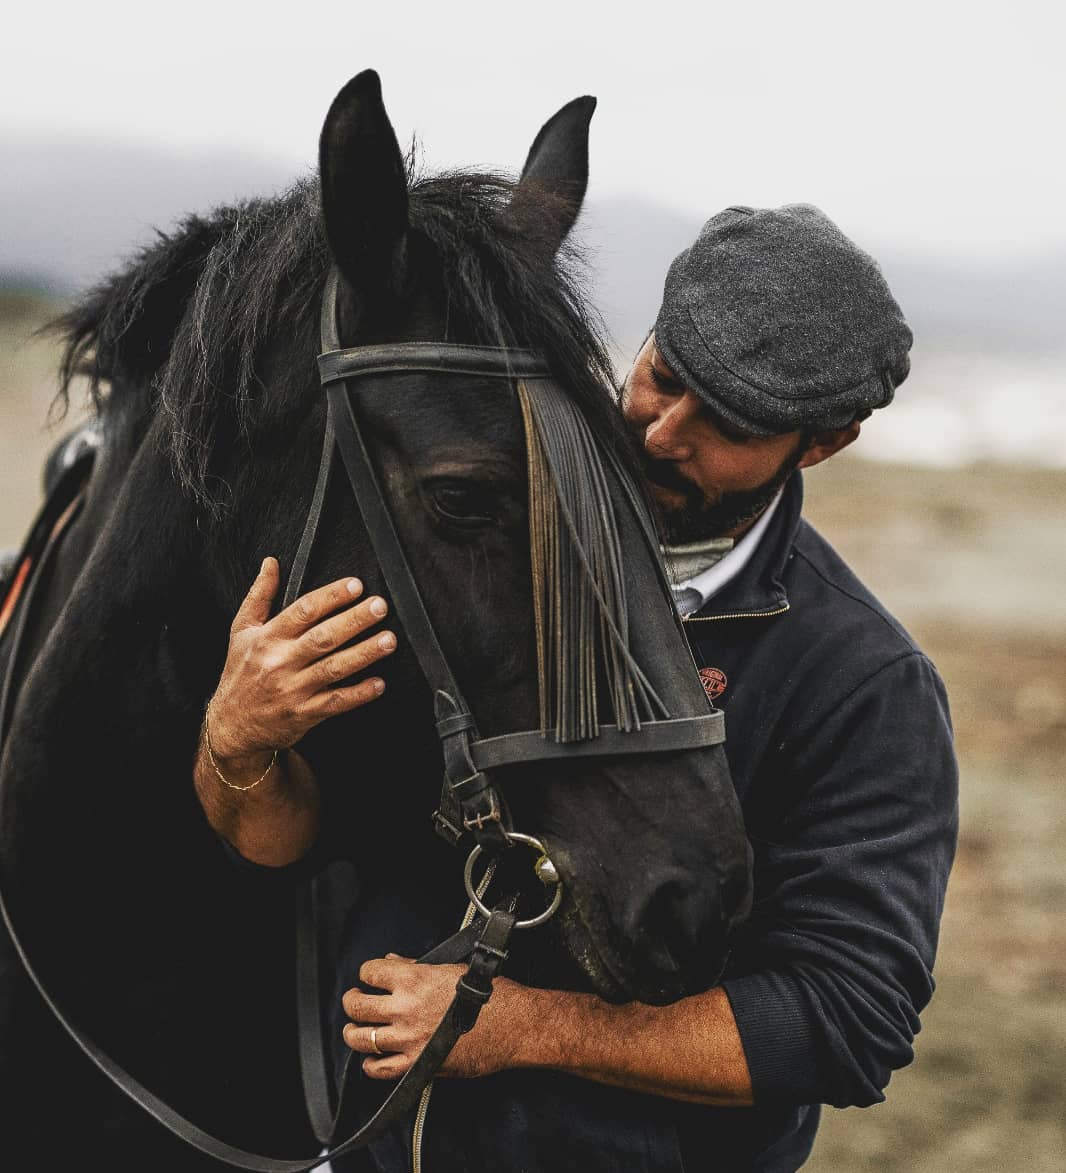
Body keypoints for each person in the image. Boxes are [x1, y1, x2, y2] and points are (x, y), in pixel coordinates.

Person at [195, 204, 958, 1171]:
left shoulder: (864, 681)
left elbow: (846, 1018)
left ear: (823, 444)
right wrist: (239, 742)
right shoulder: (472, 536)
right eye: (663, 377)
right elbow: (294, 845)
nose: (664, 432)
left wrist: (521, 1027)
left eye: (728, 422)